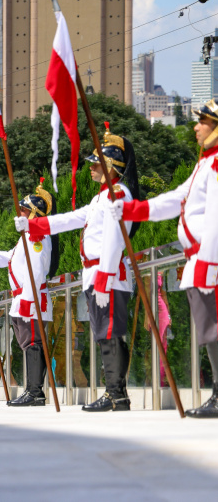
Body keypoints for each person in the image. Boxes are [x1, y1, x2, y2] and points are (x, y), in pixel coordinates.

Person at [111, 101, 218, 417]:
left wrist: (209, 266)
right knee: (210, 331)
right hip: (200, 261)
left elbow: (215, 220)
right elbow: (174, 200)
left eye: (203, 122)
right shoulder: (205, 164)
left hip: (207, 261)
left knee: (214, 330)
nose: (196, 127)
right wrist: (134, 209)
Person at [20, 126, 138, 412]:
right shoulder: (101, 197)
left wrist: (104, 279)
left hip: (106, 275)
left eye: (97, 163)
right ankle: (116, 393)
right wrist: (34, 225)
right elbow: (72, 219)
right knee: (106, 334)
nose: (92, 168)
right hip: (97, 274)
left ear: (113, 167)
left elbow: (114, 239)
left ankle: (116, 394)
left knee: (109, 334)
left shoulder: (118, 194)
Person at [0, 181, 57, 406]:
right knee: (28, 344)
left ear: (33, 214)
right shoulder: (26, 238)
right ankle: (32, 390)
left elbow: (37, 272)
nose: (19, 213)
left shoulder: (37, 238)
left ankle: (35, 391)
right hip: (24, 299)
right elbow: (7, 258)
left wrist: (27, 301)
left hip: (31, 299)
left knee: (33, 344)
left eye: (23, 210)